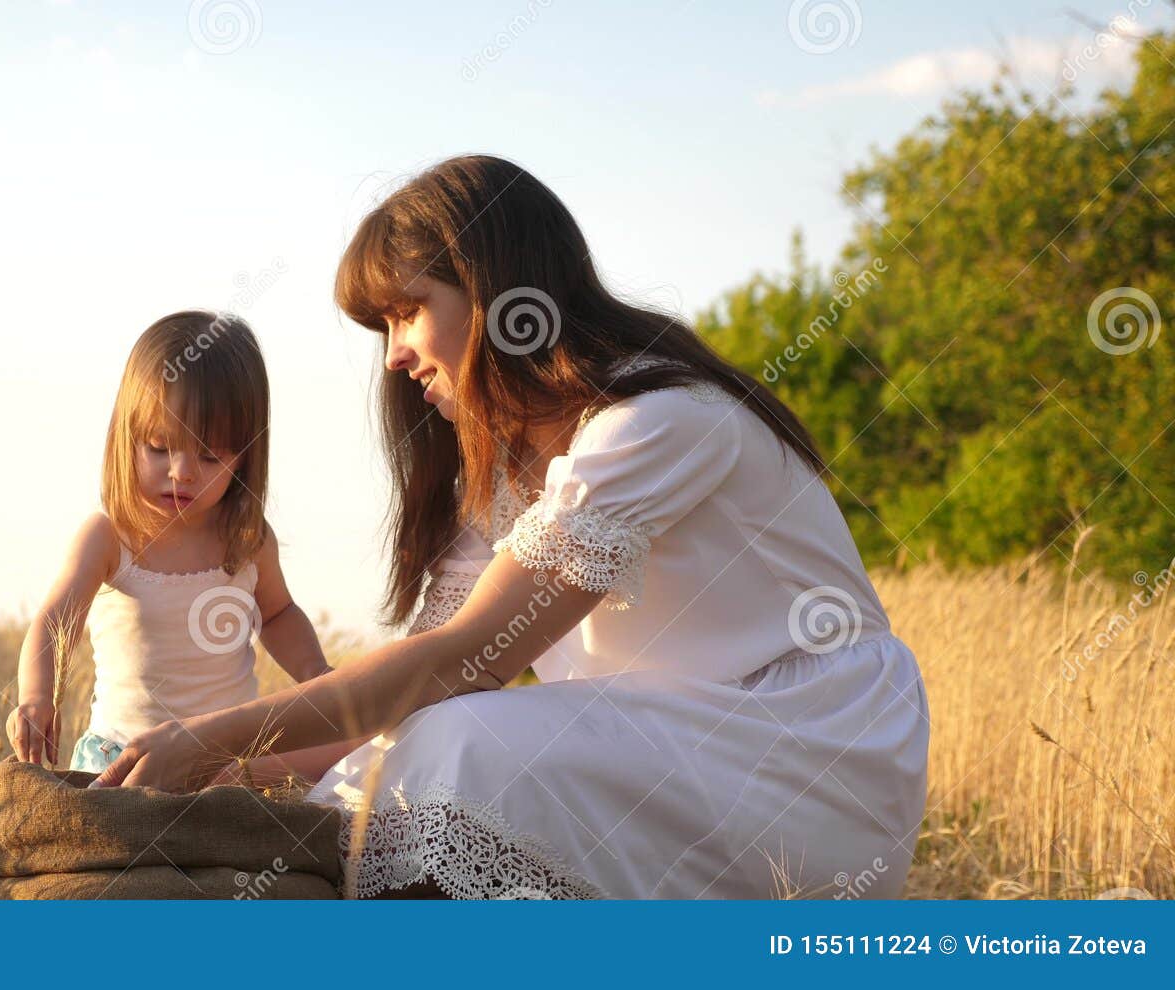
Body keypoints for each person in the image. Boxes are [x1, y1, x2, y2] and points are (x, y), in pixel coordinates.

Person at [90, 156, 931, 900]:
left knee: (463, 747)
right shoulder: (507, 482)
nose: (392, 354)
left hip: (804, 760)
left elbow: (466, 661)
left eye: (407, 311)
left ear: (496, 289)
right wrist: (225, 780)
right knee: (407, 761)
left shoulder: (659, 422)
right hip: (678, 742)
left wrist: (208, 737)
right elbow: (397, 712)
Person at [6, 311, 332, 779]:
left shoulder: (247, 538)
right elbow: (55, 621)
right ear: (127, 439)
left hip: (225, 764)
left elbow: (278, 615)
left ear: (244, 457)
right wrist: (36, 697)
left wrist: (316, 675)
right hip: (119, 760)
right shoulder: (108, 536)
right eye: (159, 447)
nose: (181, 471)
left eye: (208, 454)